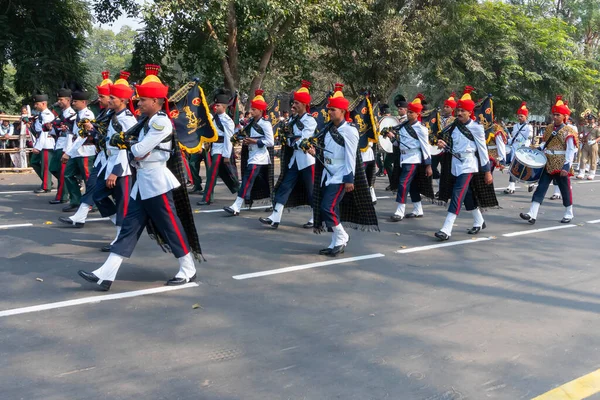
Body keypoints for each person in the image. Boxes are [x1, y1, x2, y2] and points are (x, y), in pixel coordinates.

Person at [78, 64, 202, 291]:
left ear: (155, 101)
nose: (139, 102)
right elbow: (132, 146)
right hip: (142, 183)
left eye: (143, 99)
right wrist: (123, 142)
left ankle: (188, 269)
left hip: (156, 183)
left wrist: (124, 142)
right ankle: (105, 274)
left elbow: (138, 150)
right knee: (128, 228)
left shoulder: (160, 122)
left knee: (170, 226)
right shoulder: (146, 121)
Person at [306, 83, 379, 255]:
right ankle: (335, 243)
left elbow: (351, 156)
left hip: (340, 174)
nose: (329, 112)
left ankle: (342, 236)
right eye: (329, 109)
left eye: (333, 109)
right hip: (327, 173)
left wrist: (349, 179)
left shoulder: (350, 130)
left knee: (327, 208)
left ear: (343, 111)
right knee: (333, 209)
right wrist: (313, 151)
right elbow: (325, 151)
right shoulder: (329, 128)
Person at [435, 86, 496, 241]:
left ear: (470, 112)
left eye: (463, 111)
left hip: (469, 164)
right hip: (454, 163)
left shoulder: (476, 128)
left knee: (457, 194)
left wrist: (487, 170)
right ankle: (479, 221)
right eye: (459, 110)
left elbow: (482, 150)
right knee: (467, 194)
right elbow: (443, 138)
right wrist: (441, 142)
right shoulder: (453, 125)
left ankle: (446, 228)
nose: (460, 113)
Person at [90, 71, 138, 251]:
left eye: (112, 98)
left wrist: (116, 171)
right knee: (98, 195)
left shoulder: (128, 120)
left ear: (123, 101)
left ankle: (120, 237)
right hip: (109, 163)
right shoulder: (113, 116)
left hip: (122, 168)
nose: (109, 101)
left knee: (122, 203)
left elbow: (128, 147)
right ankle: (122, 229)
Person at [260, 80, 317, 228]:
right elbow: (289, 138)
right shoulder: (293, 119)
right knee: (284, 187)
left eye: (297, 103)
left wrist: (292, 140)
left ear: (304, 104)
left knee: (311, 190)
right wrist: (291, 139)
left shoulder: (310, 121)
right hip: (295, 160)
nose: (293, 105)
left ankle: (315, 216)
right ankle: (275, 216)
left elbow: (303, 141)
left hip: (307, 160)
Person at [520, 96, 577, 224]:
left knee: (564, 188)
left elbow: (570, 150)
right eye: (554, 114)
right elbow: (545, 143)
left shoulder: (569, 131)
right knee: (541, 187)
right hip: (548, 161)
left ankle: (569, 212)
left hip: (561, 162)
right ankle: (532, 213)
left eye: (558, 115)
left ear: (564, 116)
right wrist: (536, 149)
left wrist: (566, 166)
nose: (555, 117)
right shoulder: (549, 128)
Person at [224, 90, 274, 216]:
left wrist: (254, 141)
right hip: (252, 155)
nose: (251, 112)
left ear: (261, 111)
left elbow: (270, 142)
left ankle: (236, 206)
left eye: (254, 110)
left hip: (260, 157)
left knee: (247, 180)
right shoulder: (250, 124)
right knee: (263, 183)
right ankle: (275, 201)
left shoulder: (265, 124)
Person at [389, 94, 433, 221]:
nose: (409, 114)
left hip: (414, 159)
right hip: (403, 158)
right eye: (408, 112)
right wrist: (391, 137)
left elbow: (425, 147)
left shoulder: (421, 129)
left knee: (403, 183)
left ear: (418, 114)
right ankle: (418, 209)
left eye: (412, 113)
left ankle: (400, 211)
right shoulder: (403, 127)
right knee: (413, 186)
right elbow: (398, 144)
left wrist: (428, 165)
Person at [197, 89, 239, 205]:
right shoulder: (212, 118)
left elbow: (228, 139)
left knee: (213, 173)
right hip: (212, 147)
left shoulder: (228, 121)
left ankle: (207, 198)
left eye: (218, 105)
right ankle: (241, 192)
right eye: (215, 104)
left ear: (224, 107)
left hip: (221, 149)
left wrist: (226, 155)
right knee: (223, 173)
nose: (216, 107)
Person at [61, 87, 97, 212]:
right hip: (76, 151)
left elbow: (83, 136)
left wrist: (68, 152)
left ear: (84, 102)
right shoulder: (78, 115)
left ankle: (92, 203)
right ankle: (75, 201)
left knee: (88, 178)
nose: (73, 103)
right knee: (68, 175)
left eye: (76, 101)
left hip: (86, 151)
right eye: (73, 101)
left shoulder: (88, 114)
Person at [49, 87, 76, 204]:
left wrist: (68, 150)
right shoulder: (61, 113)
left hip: (66, 145)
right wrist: (51, 128)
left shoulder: (71, 114)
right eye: (58, 99)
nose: (59, 102)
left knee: (63, 172)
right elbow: (56, 129)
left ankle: (62, 196)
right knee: (53, 168)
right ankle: (65, 192)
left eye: (61, 100)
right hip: (58, 144)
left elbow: (72, 132)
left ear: (68, 100)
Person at [29, 93, 56, 193]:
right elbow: (37, 130)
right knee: (34, 162)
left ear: (43, 103)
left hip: (46, 143)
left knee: (46, 166)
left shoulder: (48, 115)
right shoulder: (41, 115)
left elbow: (45, 132)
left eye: (37, 104)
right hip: (39, 141)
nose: (35, 106)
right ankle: (47, 181)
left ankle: (46, 186)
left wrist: (38, 147)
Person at [505, 102, 533, 194]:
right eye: (519, 116)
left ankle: (530, 182)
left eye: (522, 116)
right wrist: (507, 141)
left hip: (523, 148)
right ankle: (511, 186)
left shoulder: (529, 127)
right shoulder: (515, 126)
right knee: (513, 166)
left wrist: (525, 147)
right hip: (515, 147)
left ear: (526, 117)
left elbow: (529, 137)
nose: (520, 118)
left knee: (524, 167)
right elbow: (513, 137)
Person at [576, 113, 599, 180]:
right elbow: (582, 134)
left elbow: (599, 136)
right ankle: (581, 173)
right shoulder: (585, 127)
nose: (590, 120)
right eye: (589, 119)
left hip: (593, 145)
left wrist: (595, 141)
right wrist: (581, 137)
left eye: (591, 119)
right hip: (585, 144)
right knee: (583, 159)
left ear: (594, 120)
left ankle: (592, 174)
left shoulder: (597, 128)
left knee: (593, 160)